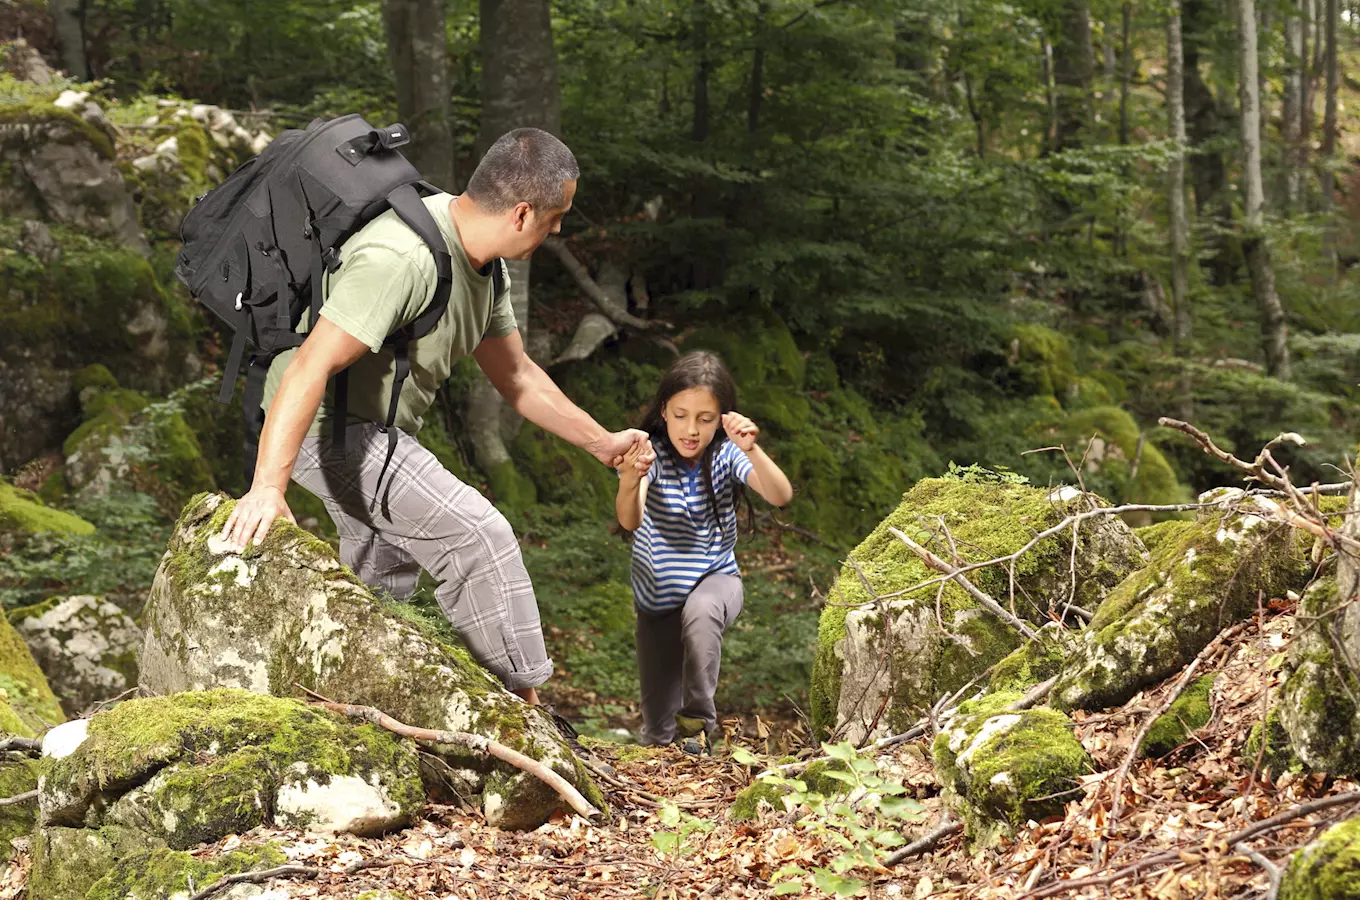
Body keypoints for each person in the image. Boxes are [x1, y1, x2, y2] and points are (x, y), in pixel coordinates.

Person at [217, 127, 654, 706]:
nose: (559, 230)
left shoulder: (483, 264)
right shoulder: (401, 258)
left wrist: (601, 443)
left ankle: (365, 713)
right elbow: (306, 370)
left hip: (375, 429)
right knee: (479, 536)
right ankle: (525, 715)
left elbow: (517, 377)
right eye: (556, 218)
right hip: (328, 428)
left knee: (383, 590)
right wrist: (266, 489)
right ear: (523, 213)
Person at [614, 351, 794, 752]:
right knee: (657, 731)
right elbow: (630, 519)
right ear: (664, 411)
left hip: (717, 580)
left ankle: (697, 725)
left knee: (702, 613)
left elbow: (781, 495)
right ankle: (669, 779)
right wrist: (629, 480)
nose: (691, 429)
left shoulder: (728, 453)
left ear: (723, 418)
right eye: (680, 415)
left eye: (705, 418)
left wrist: (751, 449)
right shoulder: (651, 454)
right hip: (656, 599)